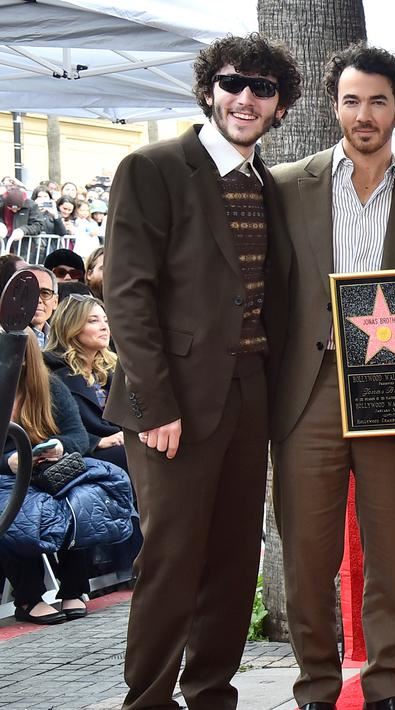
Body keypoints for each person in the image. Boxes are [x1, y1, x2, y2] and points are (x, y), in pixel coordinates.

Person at [103, 33, 302, 710]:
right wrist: (157, 405)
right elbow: (126, 295)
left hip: (249, 392)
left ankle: (212, 693)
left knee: (232, 558)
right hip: (172, 403)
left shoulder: (265, 183)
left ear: (280, 105)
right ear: (208, 89)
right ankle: (148, 700)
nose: (245, 97)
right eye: (232, 82)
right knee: (170, 560)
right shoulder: (153, 167)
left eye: (263, 88)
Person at [265, 43, 395, 710]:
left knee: (386, 560)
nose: (363, 113)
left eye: (377, 100)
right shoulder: (284, 186)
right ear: (334, 106)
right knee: (308, 560)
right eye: (351, 100)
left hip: (391, 396)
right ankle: (315, 688)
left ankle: (384, 689)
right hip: (305, 397)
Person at [0, 330, 132, 625]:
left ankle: (75, 588)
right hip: (6, 477)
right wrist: (9, 461)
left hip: (50, 471)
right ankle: (29, 597)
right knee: (19, 512)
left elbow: (78, 436)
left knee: (78, 502)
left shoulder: (50, 387)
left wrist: (60, 447)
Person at [44, 293, 126, 471]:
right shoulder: (51, 370)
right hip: (81, 454)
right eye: (93, 320)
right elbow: (48, 428)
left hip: (120, 443)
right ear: (71, 327)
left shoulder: (112, 368)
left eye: (105, 320)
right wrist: (97, 442)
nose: (104, 327)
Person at [20, 265, 58, 347]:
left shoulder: (61, 342)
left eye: (45, 293)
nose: (38, 300)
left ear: (55, 301)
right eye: (29, 292)